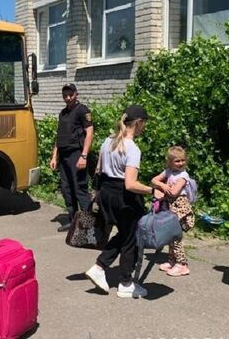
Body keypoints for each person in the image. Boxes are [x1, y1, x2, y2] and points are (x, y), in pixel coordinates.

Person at [84, 105, 161, 298]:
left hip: (106, 193)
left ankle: (100, 267)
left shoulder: (108, 141)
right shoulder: (132, 148)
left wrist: (96, 192)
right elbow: (130, 184)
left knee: (125, 234)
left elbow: (98, 170)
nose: (144, 127)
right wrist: (153, 190)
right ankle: (125, 283)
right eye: (145, 123)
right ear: (139, 123)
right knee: (131, 239)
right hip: (123, 197)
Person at [50, 83, 94, 232]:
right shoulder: (63, 113)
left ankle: (87, 226)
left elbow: (89, 133)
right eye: (65, 96)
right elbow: (59, 137)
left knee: (80, 189)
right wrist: (54, 157)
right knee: (67, 189)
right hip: (64, 157)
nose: (68, 98)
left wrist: (84, 156)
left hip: (77, 154)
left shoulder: (82, 110)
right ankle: (73, 221)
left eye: (70, 95)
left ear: (76, 94)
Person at [151, 145, 196, 277]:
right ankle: (172, 261)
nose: (181, 163)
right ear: (170, 162)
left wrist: (163, 188)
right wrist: (163, 185)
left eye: (183, 160)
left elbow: (174, 192)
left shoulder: (183, 175)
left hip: (180, 207)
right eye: (177, 161)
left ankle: (182, 265)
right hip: (171, 206)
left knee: (176, 236)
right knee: (170, 235)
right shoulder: (168, 171)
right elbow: (154, 180)